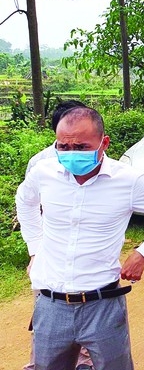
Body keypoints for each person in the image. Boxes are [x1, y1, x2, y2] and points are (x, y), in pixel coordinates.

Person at [16, 106, 144, 370]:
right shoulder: (44, 173)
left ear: (103, 142)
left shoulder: (128, 181)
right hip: (51, 306)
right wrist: (35, 249)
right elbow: (24, 202)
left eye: (82, 147)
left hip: (103, 306)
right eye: (63, 147)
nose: (72, 154)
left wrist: (143, 253)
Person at [23, 100, 95, 370]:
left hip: (87, 258)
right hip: (51, 258)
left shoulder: (95, 157)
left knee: (90, 316)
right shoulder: (40, 164)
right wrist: (36, 253)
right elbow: (31, 207)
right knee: (47, 321)